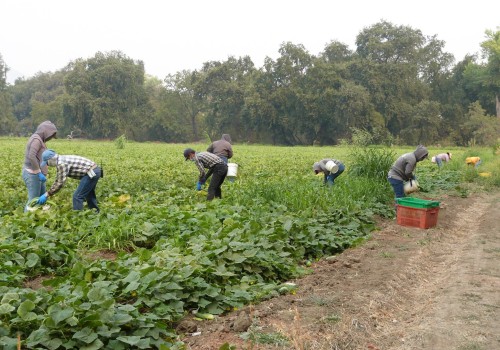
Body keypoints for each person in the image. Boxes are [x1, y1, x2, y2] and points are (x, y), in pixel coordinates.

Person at [37, 149, 102, 212]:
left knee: (77, 196)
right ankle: (95, 211)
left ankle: (78, 217)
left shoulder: (61, 164)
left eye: (47, 163)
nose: (48, 165)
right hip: (95, 170)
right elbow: (59, 179)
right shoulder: (61, 159)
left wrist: (47, 194)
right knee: (88, 192)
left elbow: (60, 182)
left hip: (91, 172)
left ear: (51, 160)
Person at [22, 120, 57, 212]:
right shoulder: (36, 140)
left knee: (41, 200)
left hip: (38, 175)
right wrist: (38, 172)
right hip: (33, 174)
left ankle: (38, 220)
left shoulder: (40, 140)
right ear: (45, 132)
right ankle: (26, 220)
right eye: (50, 135)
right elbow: (31, 156)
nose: (50, 138)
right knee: (33, 201)